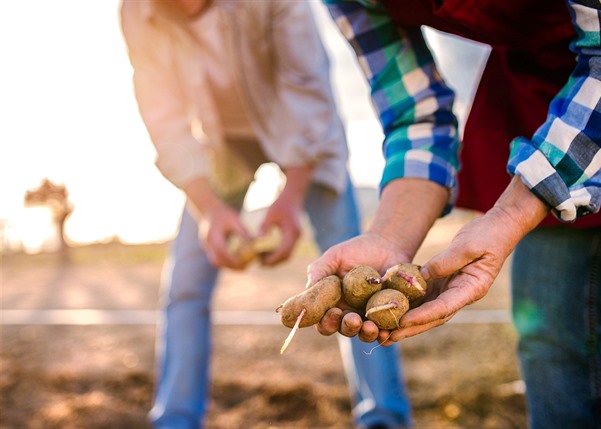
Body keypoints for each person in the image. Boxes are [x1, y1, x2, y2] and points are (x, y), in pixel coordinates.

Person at [308, 1, 601, 428]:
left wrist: (512, 214)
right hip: (551, 94)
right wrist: (389, 236)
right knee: (552, 324)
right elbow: (416, 112)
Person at [120, 1, 412, 428]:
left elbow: (307, 89)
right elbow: (164, 121)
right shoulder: (137, 12)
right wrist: (210, 210)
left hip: (305, 138)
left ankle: (384, 417)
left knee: (358, 277)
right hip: (222, 144)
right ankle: (175, 420)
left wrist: (291, 197)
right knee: (185, 283)